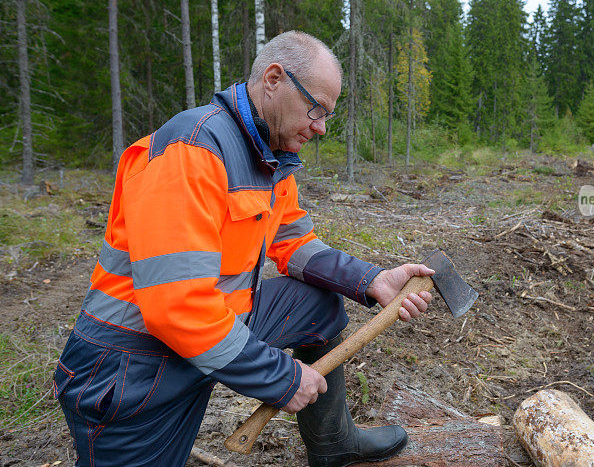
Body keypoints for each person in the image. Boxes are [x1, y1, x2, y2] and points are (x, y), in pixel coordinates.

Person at [54, 30, 433, 467]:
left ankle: (334, 444)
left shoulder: (272, 160)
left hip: (208, 333)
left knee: (317, 302)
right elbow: (177, 307)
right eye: (315, 108)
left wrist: (372, 280)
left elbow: (295, 242)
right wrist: (281, 378)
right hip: (133, 369)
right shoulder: (192, 149)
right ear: (273, 79)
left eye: (328, 115)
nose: (320, 127)